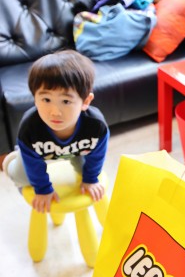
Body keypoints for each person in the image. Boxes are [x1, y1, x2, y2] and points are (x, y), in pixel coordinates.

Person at [2, 50, 109, 213]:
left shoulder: (96, 126)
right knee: (22, 177)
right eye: (46, 100)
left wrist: (91, 179)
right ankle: (12, 159)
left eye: (66, 101)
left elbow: (97, 155)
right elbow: (34, 167)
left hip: (76, 150)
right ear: (35, 98)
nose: (55, 112)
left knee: (86, 170)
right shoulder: (30, 127)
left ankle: (75, 161)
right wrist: (43, 189)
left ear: (85, 101)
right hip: (38, 153)